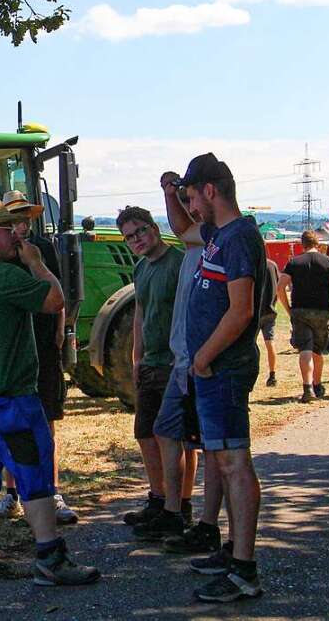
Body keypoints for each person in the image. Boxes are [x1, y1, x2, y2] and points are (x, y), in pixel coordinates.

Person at [0, 198, 100, 586]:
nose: (16, 236)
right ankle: (50, 557)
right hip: (8, 396)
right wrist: (36, 263)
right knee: (35, 474)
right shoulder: (2, 276)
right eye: (9, 230)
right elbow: (56, 300)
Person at [169, 152, 266, 603]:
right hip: (213, 368)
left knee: (234, 464)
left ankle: (244, 569)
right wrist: (170, 193)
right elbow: (181, 231)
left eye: (191, 195)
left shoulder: (239, 238)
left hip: (223, 368)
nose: (190, 206)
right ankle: (232, 550)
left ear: (210, 190)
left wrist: (203, 359)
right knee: (223, 461)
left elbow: (241, 309)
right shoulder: (218, 234)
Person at [0, 191, 78, 525]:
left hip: (42, 343)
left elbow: (58, 290)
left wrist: (59, 328)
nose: (20, 223)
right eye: (13, 217)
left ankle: (50, 490)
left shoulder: (42, 249)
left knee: (46, 418)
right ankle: (12, 493)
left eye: (24, 216)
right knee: (12, 423)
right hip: (12, 347)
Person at [113, 204, 187, 541]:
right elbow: (140, 312)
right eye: (129, 237)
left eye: (140, 231)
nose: (137, 239)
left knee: (175, 438)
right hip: (150, 363)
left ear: (154, 228)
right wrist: (136, 357)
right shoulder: (141, 268)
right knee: (146, 434)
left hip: (174, 363)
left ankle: (180, 505)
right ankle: (157, 499)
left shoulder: (178, 262)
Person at [154, 176, 216, 556]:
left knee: (211, 447)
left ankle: (202, 522)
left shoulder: (212, 234)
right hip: (184, 357)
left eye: (192, 198)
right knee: (169, 431)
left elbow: (179, 228)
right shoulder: (202, 236)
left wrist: (169, 196)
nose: (189, 207)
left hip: (198, 358)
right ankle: (175, 509)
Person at [277, 231, 329, 403]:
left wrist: (288, 308)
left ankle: (307, 387)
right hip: (321, 310)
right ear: (318, 244)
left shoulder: (294, 262)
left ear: (302, 244)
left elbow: (280, 287)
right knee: (317, 350)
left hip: (299, 310)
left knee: (305, 350)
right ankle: (317, 384)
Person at [260, 259, 279, 387]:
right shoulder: (273, 265)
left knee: (250, 344)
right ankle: (272, 375)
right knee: (270, 343)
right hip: (270, 309)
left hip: (256, 311)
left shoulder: (254, 264)